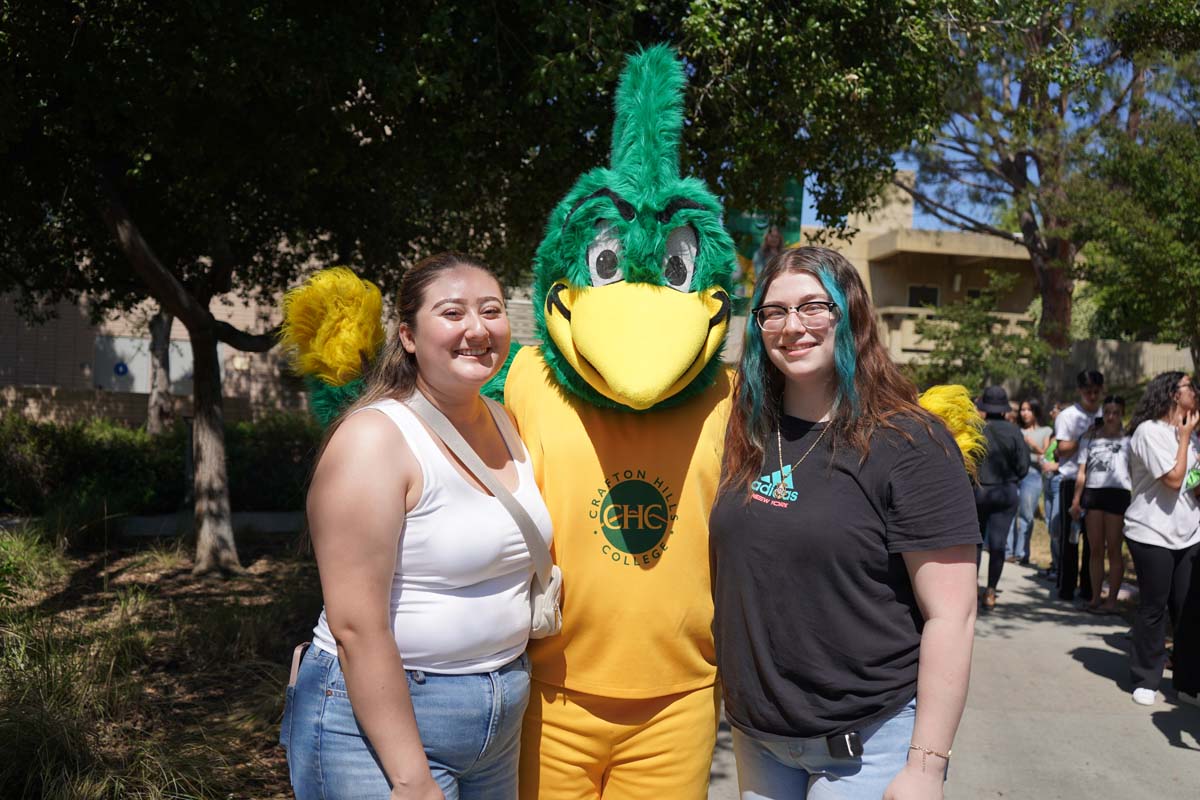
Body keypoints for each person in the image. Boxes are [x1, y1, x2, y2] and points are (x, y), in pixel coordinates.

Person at [280, 253, 554, 799]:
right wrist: (411, 778)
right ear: (407, 335)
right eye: (453, 313)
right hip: (379, 726)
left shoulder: (505, 420)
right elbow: (356, 627)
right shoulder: (373, 439)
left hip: (498, 717)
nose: (477, 329)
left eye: (491, 310)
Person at [710, 246, 979, 799]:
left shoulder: (911, 442)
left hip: (870, 742)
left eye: (814, 307)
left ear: (849, 313)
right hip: (759, 736)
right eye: (774, 311)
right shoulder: (746, 431)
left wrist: (926, 767)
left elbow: (953, 615)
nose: (793, 326)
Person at [1123, 372, 1200, 707]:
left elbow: (1192, 484)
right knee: (1154, 607)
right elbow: (1172, 479)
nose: (1195, 392)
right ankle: (1147, 677)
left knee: (1187, 609)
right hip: (1151, 532)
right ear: (1172, 394)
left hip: (1189, 532)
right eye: (1190, 387)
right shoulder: (1148, 432)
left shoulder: (1193, 435)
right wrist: (1184, 438)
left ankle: (1186, 682)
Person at [1069, 396, 1131, 613]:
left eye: (1115, 412)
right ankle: (1095, 597)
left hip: (1118, 494)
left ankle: (1111, 601)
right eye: (1107, 413)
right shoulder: (1090, 438)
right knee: (1095, 548)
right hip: (1093, 494)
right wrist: (1076, 500)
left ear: (1122, 413)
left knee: (1114, 548)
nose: (1111, 417)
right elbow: (1081, 473)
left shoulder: (1129, 440)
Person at [1051, 371, 1105, 599]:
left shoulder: (1106, 413)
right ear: (1079, 391)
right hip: (1072, 480)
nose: (1092, 396)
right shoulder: (1068, 416)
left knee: (1094, 540)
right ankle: (1066, 587)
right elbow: (1060, 450)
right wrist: (1085, 434)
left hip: (1098, 483)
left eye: (1096, 391)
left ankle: (1088, 588)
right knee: (1069, 539)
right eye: (1087, 392)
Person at [974, 386, 1030, 608]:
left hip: (977, 491)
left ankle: (970, 589)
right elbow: (1024, 465)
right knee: (998, 545)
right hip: (1005, 491)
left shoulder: (975, 429)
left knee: (975, 543)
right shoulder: (1014, 431)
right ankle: (990, 591)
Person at [1007, 399, 1052, 565]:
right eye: (1022, 410)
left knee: (1026, 515)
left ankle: (1022, 553)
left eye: (1028, 410)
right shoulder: (1016, 430)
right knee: (1011, 514)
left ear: (1036, 411)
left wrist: (1032, 445)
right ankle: (1008, 551)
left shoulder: (1046, 431)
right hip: (1015, 473)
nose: (1024, 413)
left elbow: (1047, 455)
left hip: (1033, 474)